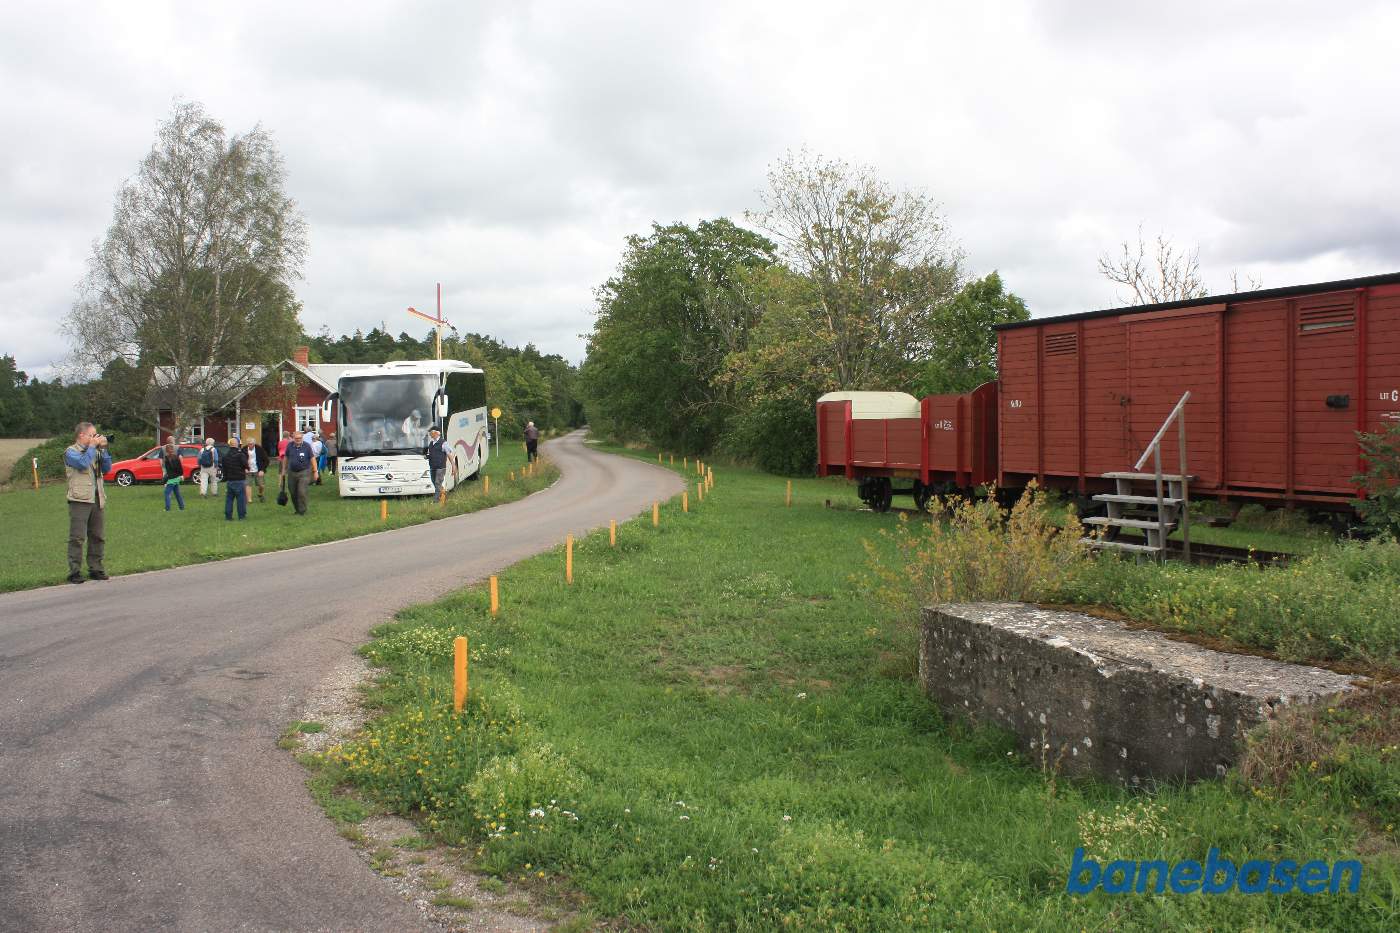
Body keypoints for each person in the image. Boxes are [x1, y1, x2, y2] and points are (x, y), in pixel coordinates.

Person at [63, 422, 112, 584]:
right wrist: (92, 447)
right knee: (77, 537)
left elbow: (107, 468)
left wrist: (103, 449)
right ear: (81, 435)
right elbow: (82, 463)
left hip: (97, 498)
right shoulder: (71, 452)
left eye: (95, 435)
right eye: (91, 435)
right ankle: (74, 571)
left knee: (97, 536)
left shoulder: (95, 451)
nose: (94, 438)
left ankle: (96, 568)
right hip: (80, 499)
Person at [283, 428, 318, 515]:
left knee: (301, 491)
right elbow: (286, 458)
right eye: (296, 438)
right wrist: (284, 469)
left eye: (300, 438)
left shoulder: (307, 446)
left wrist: (315, 471)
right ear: (293, 438)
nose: (298, 440)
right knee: (293, 492)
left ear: (302, 438)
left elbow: (312, 458)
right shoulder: (289, 446)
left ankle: (302, 510)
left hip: (304, 472)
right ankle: (297, 509)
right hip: (292, 472)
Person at [221, 436, 249, 520]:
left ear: (229, 445)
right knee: (241, 499)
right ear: (237, 444)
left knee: (229, 499)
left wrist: (226, 478)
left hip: (230, 480)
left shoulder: (225, 456)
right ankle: (241, 516)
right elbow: (246, 465)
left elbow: (224, 469)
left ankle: (228, 516)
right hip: (239, 479)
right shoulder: (240, 455)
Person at [161, 442, 186, 512]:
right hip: (177, 478)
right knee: (177, 493)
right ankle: (182, 507)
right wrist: (180, 475)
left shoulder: (166, 459)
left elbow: (168, 472)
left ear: (166, 451)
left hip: (171, 479)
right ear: (173, 450)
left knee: (167, 493)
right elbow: (180, 468)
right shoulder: (176, 457)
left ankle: (167, 508)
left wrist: (166, 481)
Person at [424, 427, 448, 497]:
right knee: (434, 481)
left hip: (441, 467)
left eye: (432, 433)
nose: (431, 434)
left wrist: (453, 466)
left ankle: (436, 500)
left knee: (437, 482)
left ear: (438, 433)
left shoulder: (443, 443)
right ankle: (443, 493)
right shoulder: (431, 443)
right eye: (430, 433)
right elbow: (432, 454)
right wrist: (427, 456)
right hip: (433, 466)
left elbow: (449, 454)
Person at [243, 437, 267, 503]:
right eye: (248, 444)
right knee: (248, 484)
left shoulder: (259, 449)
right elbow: (241, 460)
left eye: (251, 444)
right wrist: (244, 468)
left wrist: (262, 470)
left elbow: (266, 460)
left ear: (254, 443)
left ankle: (260, 494)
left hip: (258, 470)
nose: (250, 445)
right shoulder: (244, 449)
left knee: (261, 485)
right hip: (248, 470)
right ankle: (249, 500)